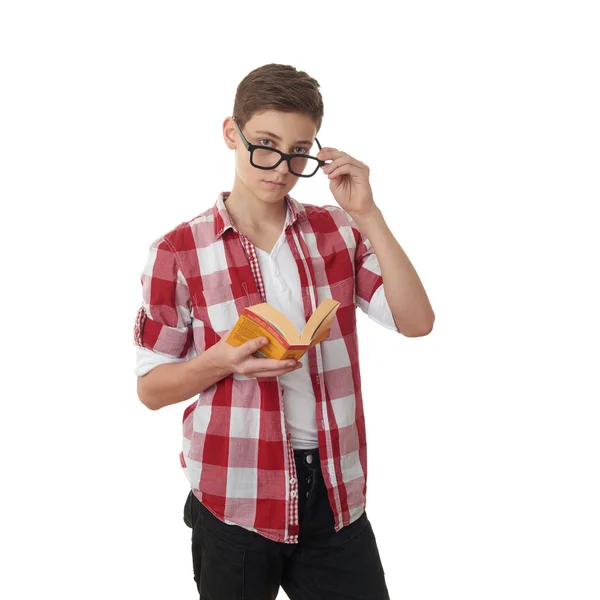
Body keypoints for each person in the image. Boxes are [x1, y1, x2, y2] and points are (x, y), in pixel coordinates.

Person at [133, 63, 434, 599]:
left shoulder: (337, 231)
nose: (282, 167)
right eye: (266, 144)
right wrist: (222, 360)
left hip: (336, 493)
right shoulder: (178, 252)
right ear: (233, 133)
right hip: (235, 495)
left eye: (300, 151)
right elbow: (151, 390)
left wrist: (367, 213)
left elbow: (417, 322)